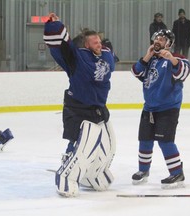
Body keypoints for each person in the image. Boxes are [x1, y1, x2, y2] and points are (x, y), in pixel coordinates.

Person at [43, 13, 116, 197]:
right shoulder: (77, 58)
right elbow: (63, 47)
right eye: (94, 42)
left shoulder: (107, 55)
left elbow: (109, 59)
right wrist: (55, 25)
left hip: (99, 108)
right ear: (86, 45)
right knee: (83, 143)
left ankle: (94, 174)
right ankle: (66, 175)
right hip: (78, 108)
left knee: (108, 145)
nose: (99, 44)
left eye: (100, 41)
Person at [131, 29, 190, 189]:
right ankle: (143, 171)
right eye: (157, 37)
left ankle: (177, 172)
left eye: (162, 39)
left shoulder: (177, 59)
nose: (158, 40)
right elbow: (135, 72)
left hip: (168, 108)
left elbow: (183, 73)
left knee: (165, 141)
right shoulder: (149, 60)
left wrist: (171, 59)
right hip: (149, 107)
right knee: (144, 140)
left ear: (169, 44)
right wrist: (147, 55)